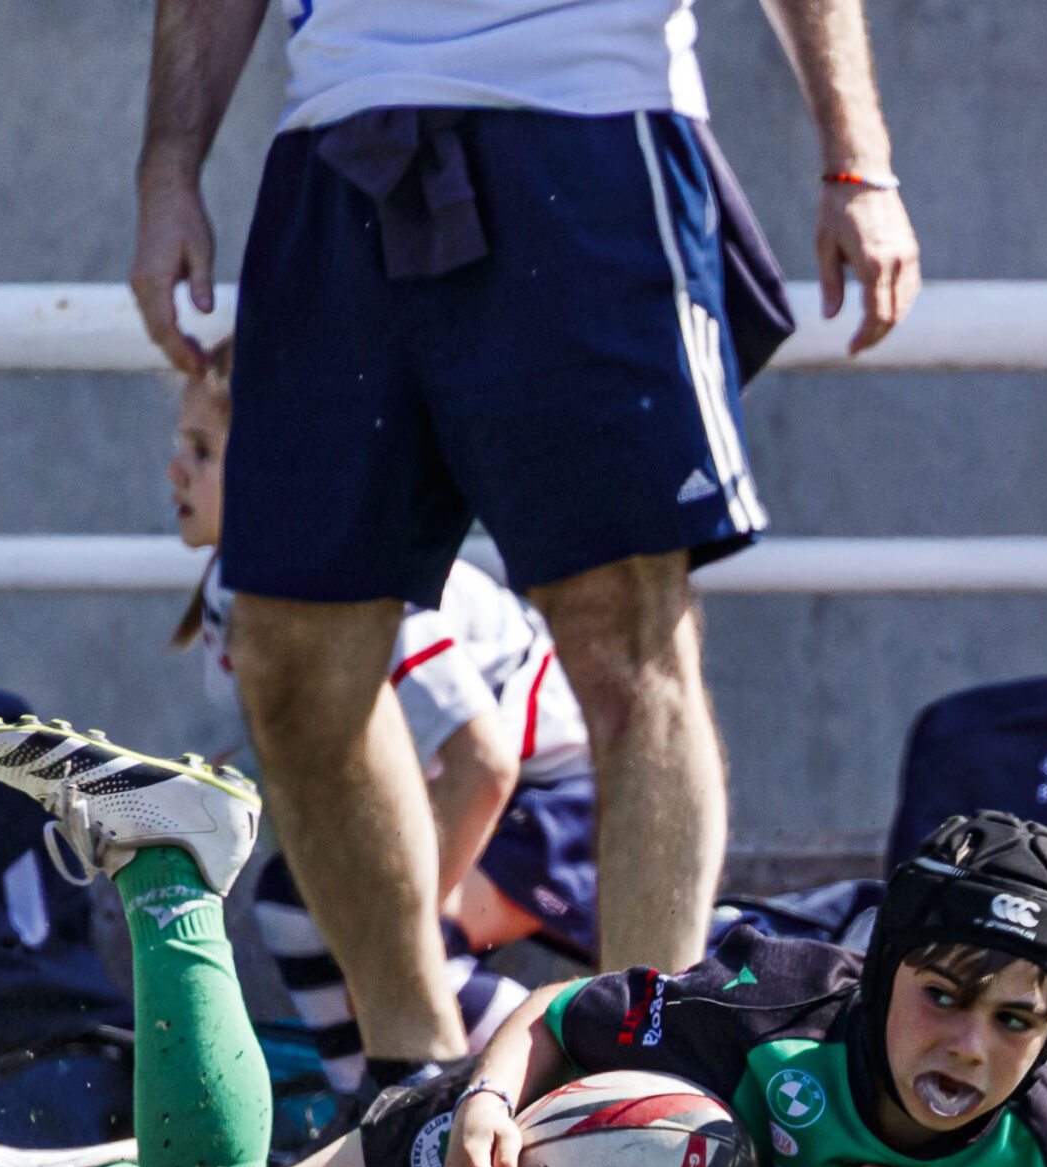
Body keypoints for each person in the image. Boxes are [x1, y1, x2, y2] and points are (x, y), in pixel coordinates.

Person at [130, 0, 924, 1092]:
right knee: (288, 656)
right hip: (336, 139)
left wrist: (857, 163)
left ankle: (642, 1093)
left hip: (588, 118)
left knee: (623, 643)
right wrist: (168, 169)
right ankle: (410, 1089)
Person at [0, 732, 1047, 1167]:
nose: (970, 1049)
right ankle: (171, 865)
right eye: (940, 1000)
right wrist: (489, 1104)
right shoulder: (771, 1010)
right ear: (882, 979)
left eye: (1013, 1021)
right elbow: (557, 1009)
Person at [166, 341, 597, 1101]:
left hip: (557, 806)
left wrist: (404, 930)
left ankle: (597, 1074)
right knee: (296, 900)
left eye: (202, 451)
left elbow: (486, 764)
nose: (175, 471)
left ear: (279, 464)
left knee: (376, 941)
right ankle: (373, 1117)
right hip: (488, 799)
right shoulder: (233, 595)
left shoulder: (363, 579)